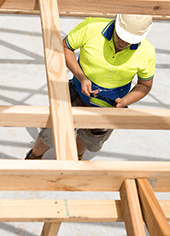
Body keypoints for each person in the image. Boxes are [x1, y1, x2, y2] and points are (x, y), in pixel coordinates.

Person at [25, 14, 156, 160]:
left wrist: (125, 101)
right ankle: (34, 157)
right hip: (77, 92)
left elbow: (144, 85)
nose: (123, 42)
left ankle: (76, 156)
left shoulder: (147, 52)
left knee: (90, 137)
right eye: (120, 36)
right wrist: (81, 77)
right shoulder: (92, 27)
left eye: (129, 40)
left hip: (110, 106)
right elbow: (65, 47)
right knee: (52, 131)